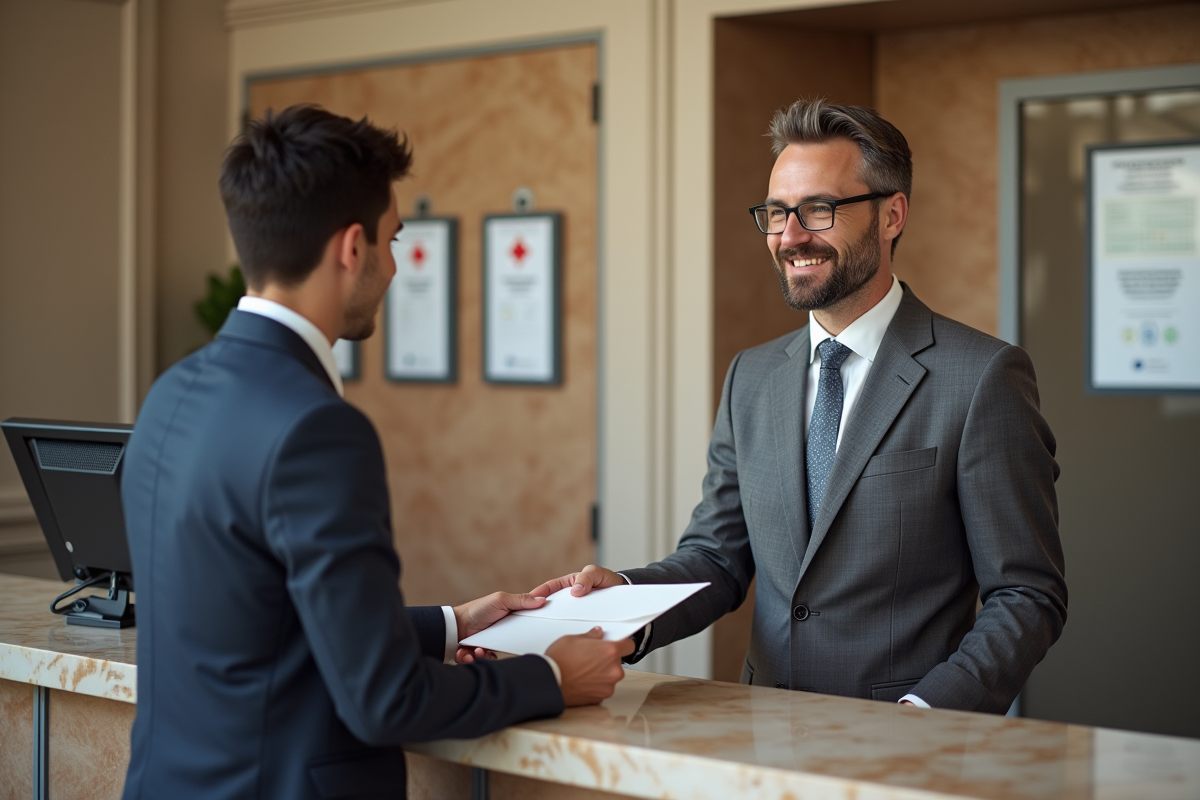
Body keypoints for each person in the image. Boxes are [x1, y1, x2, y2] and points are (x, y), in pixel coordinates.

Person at [120, 104, 632, 800]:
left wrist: (453, 623)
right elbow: (383, 700)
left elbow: (261, 628)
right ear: (351, 247)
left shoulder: (169, 393)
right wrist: (551, 676)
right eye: (393, 241)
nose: (395, 268)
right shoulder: (316, 429)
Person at [529, 99, 1067, 714]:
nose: (790, 237)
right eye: (777, 213)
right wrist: (623, 600)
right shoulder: (750, 376)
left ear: (892, 215)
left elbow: (1027, 594)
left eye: (819, 209)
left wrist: (924, 717)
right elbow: (717, 559)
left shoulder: (982, 378)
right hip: (765, 738)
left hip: (910, 745)